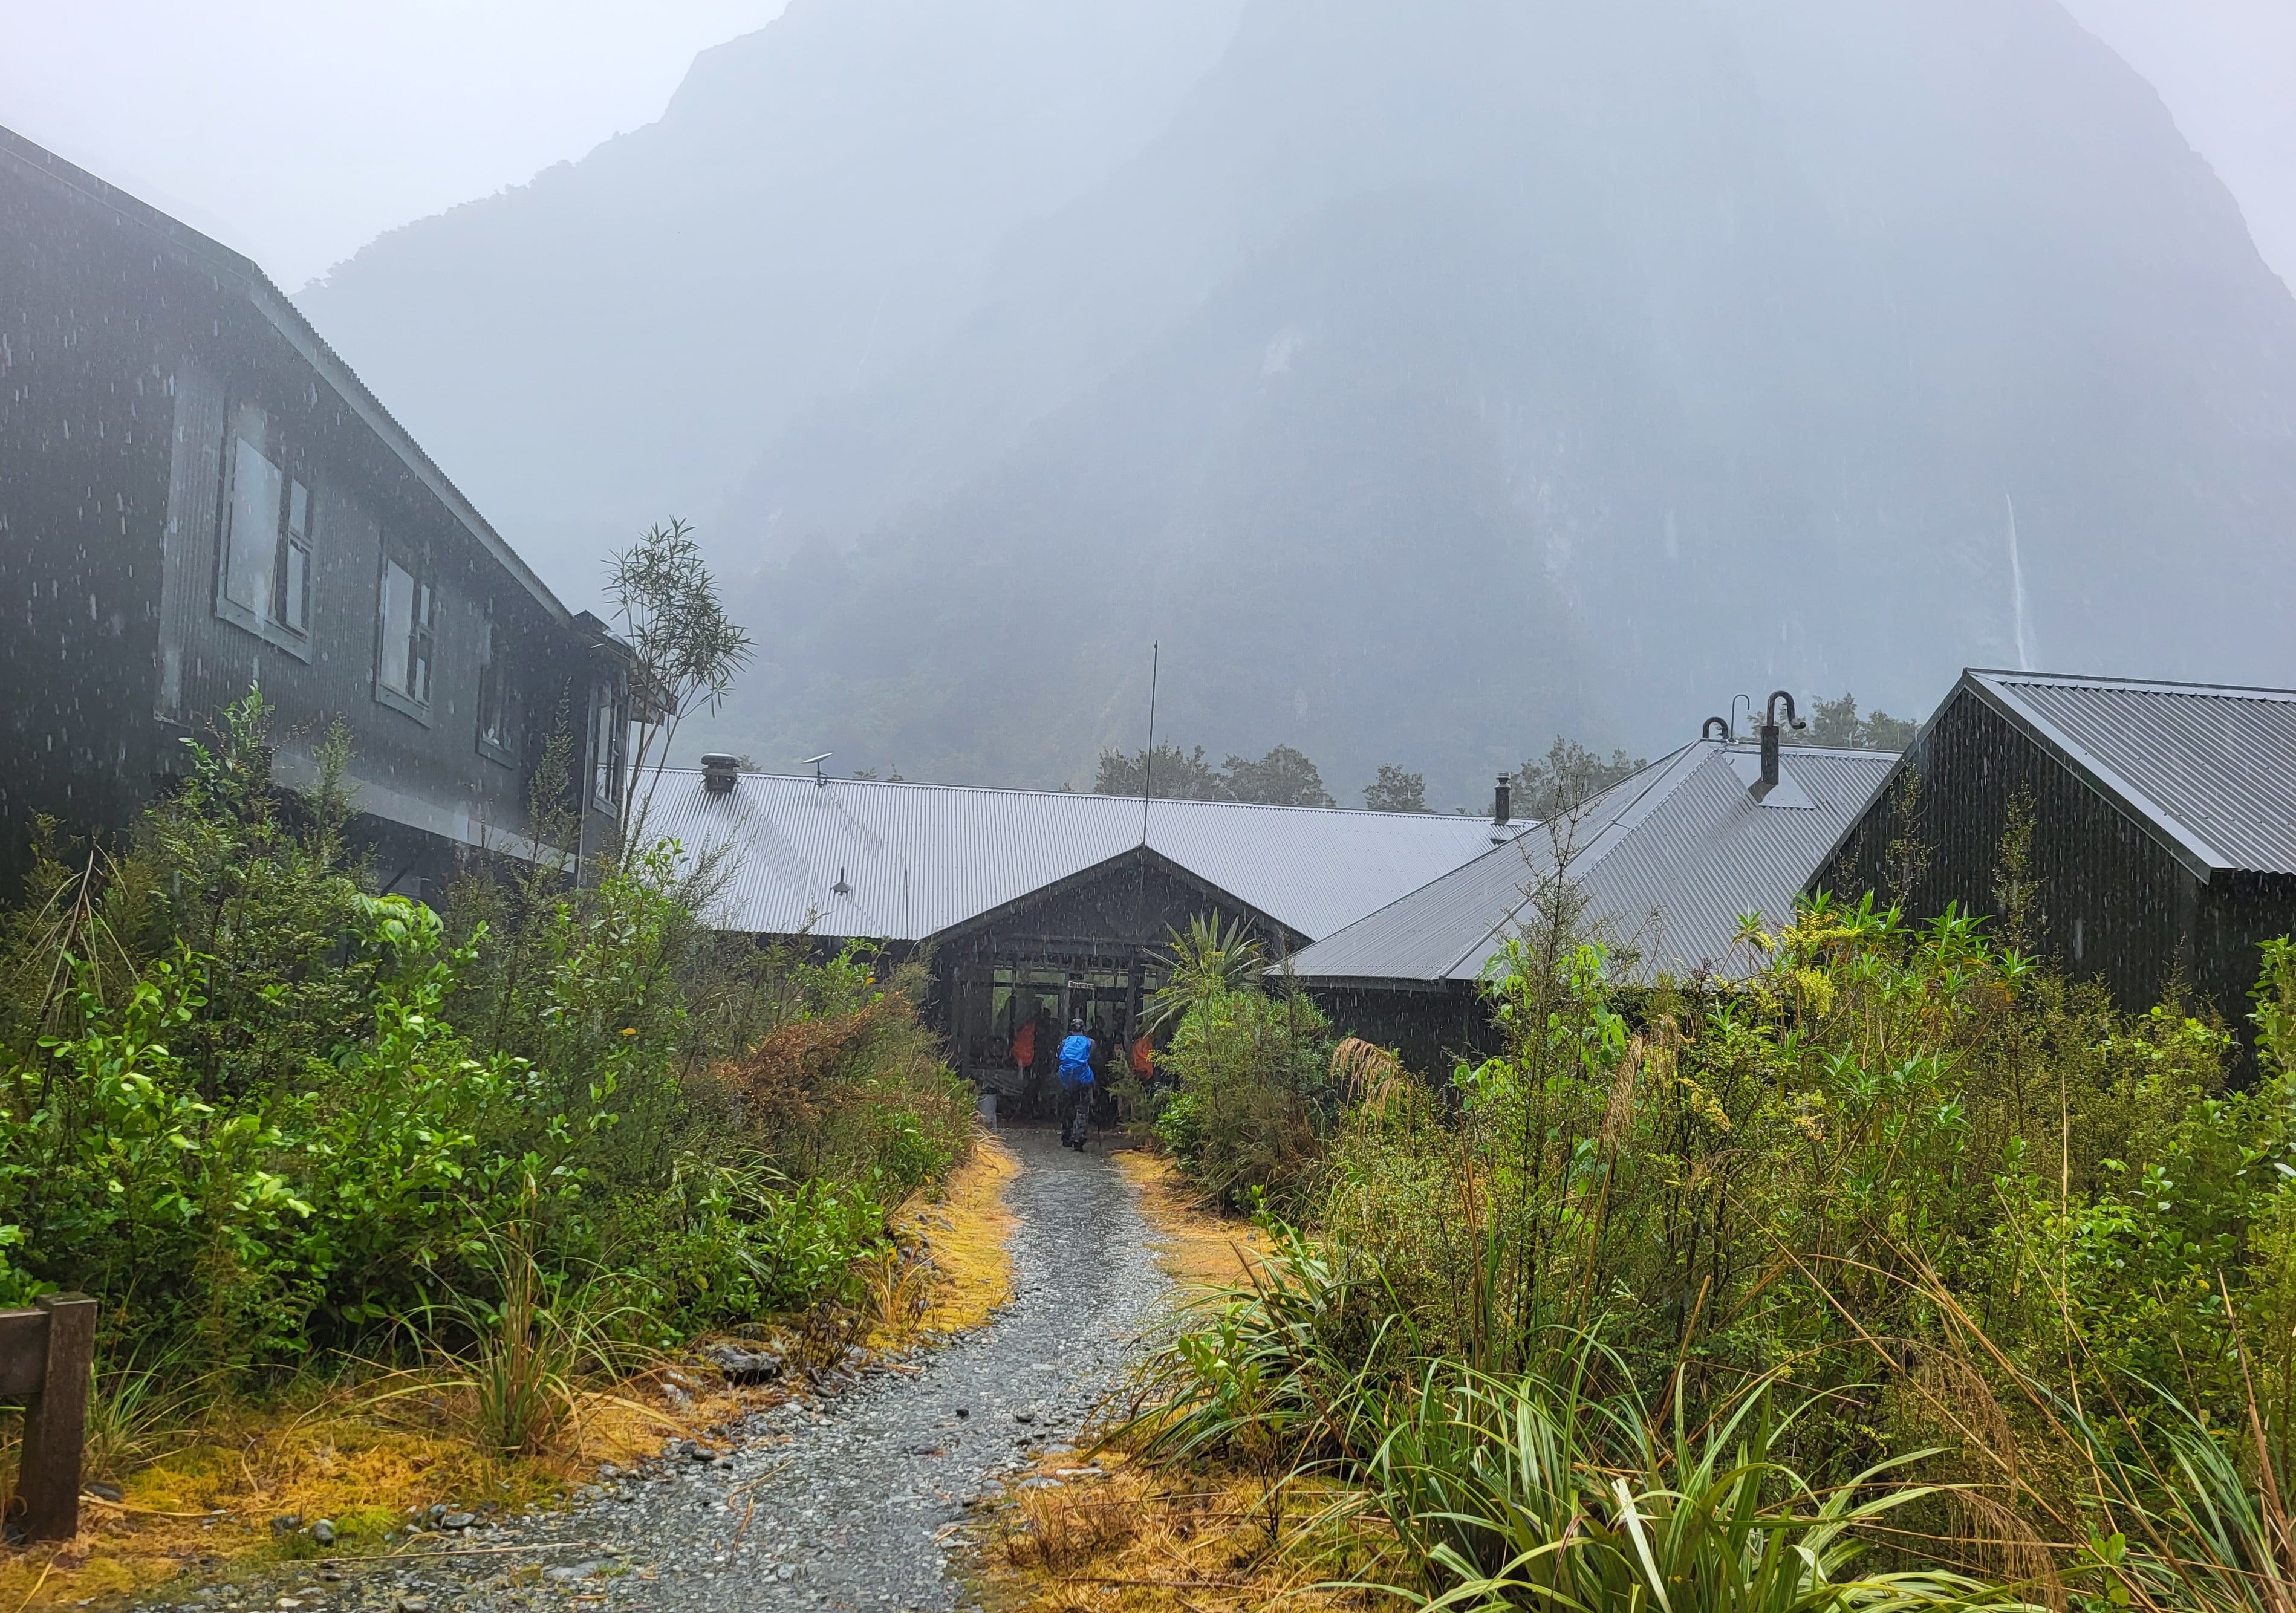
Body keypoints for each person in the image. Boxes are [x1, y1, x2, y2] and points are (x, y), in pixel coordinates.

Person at [1056, 1017, 1096, 1150]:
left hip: (1067, 1080)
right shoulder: (1090, 1042)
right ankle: (1079, 1138)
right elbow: (1093, 1057)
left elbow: (1058, 1056)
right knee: (1082, 1109)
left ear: (1071, 1029)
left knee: (1068, 1108)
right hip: (1083, 1079)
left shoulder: (1064, 1043)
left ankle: (1067, 1137)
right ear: (1083, 1028)